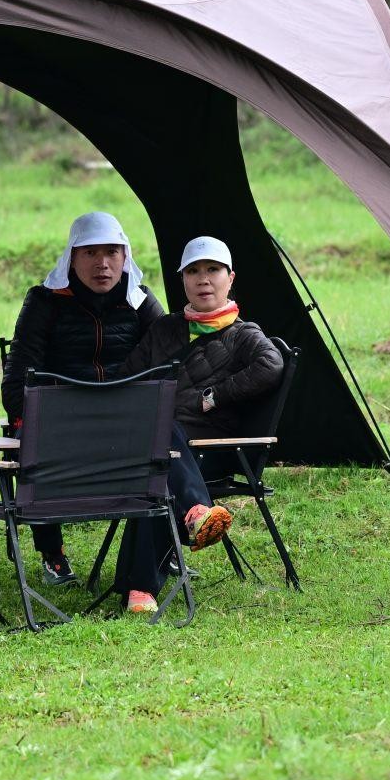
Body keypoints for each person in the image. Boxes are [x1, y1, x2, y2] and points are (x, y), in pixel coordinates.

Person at [112, 236, 285, 612]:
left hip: (210, 451)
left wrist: (214, 395)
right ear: (183, 280)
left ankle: (141, 587)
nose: (203, 279)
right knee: (160, 444)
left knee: (161, 457)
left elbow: (271, 365)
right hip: (154, 444)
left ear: (230, 278)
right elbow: (128, 377)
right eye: (193, 271)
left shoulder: (243, 334)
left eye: (213, 270)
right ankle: (193, 515)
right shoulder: (164, 329)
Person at [1, 211, 164, 586]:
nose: (102, 263)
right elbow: (17, 381)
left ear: (125, 257)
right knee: (32, 440)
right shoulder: (44, 301)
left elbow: (171, 360)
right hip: (61, 423)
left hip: (124, 423)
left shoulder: (140, 301)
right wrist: (42, 417)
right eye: (90, 253)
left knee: (166, 440)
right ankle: (53, 554)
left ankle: (160, 551)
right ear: (72, 257)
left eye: (111, 252)